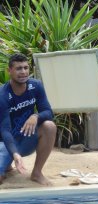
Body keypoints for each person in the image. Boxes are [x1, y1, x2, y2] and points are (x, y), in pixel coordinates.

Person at [0, 53, 56, 185]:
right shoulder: (2, 95)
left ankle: (36, 173)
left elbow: (49, 112)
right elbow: (5, 130)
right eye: (19, 68)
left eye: (26, 68)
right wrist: (14, 153)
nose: (23, 72)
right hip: (5, 142)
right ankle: (6, 165)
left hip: (25, 138)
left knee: (49, 126)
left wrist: (36, 116)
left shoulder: (36, 86)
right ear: (9, 71)